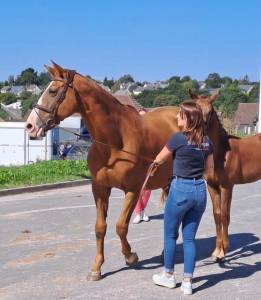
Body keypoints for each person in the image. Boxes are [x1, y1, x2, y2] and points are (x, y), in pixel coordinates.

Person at [152, 100, 213, 295]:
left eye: (180, 114)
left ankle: (168, 276)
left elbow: (159, 160)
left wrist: (152, 165)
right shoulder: (207, 141)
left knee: (170, 235)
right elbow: (207, 166)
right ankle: (188, 282)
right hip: (200, 191)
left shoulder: (178, 138)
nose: (177, 117)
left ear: (189, 118)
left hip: (181, 190)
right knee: (189, 239)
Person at [133, 107, 151, 224]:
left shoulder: (151, 131)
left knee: (148, 189)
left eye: (144, 116)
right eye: (140, 116)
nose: (142, 118)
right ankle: (139, 213)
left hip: (149, 162)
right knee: (136, 189)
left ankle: (142, 210)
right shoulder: (133, 131)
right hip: (136, 163)